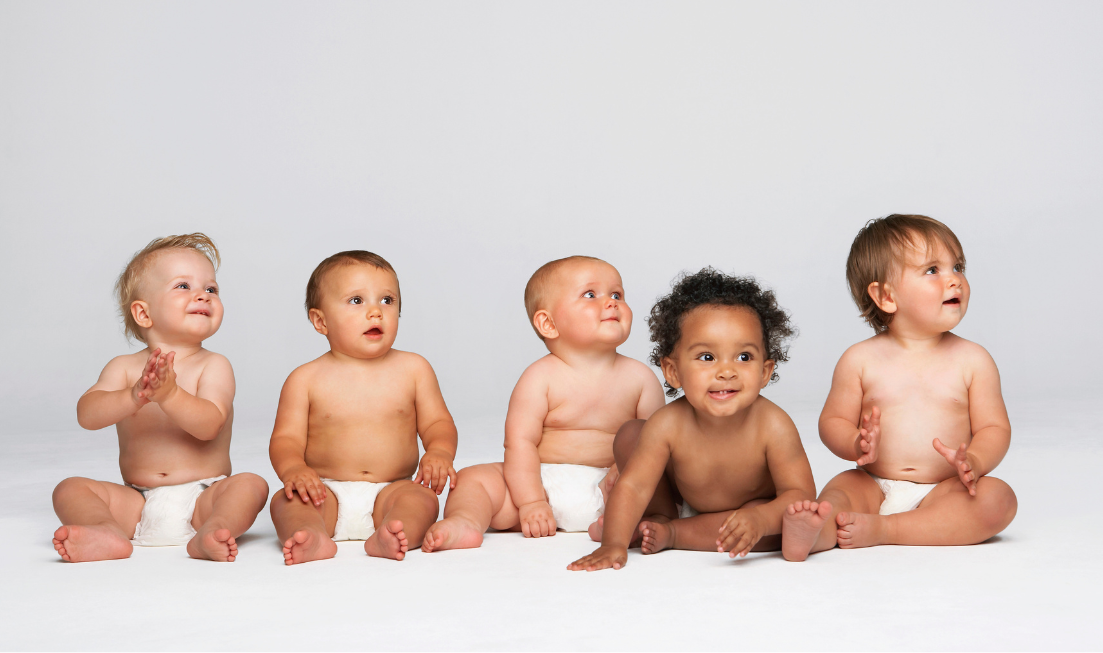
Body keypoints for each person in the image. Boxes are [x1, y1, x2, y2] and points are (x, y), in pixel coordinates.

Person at [781, 214, 1017, 562]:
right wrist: (855, 442)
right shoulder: (859, 359)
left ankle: (888, 530)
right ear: (886, 296)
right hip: (873, 482)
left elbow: (994, 427)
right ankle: (814, 531)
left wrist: (976, 461)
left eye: (958, 267)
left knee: (998, 499)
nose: (954, 280)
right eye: (933, 270)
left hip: (945, 488)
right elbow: (831, 421)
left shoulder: (974, 360)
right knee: (842, 492)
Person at [569, 268, 815, 571]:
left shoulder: (774, 425)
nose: (726, 371)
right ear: (673, 371)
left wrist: (761, 519)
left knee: (773, 530)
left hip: (742, 514)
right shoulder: (668, 424)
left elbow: (800, 495)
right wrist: (613, 545)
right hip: (681, 494)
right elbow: (634, 487)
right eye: (707, 357)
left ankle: (673, 533)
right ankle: (659, 516)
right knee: (632, 433)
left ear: (765, 372)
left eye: (744, 357)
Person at [422, 256, 665, 552]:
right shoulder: (539, 377)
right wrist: (531, 501)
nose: (612, 302)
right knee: (474, 479)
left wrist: (623, 470)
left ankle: (621, 525)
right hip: (542, 484)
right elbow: (520, 443)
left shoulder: (640, 378)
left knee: (654, 487)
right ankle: (466, 522)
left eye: (617, 294)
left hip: (612, 486)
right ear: (548, 323)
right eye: (591, 294)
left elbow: (655, 442)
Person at [53, 233, 268, 563]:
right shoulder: (124, 369)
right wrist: (134, 395)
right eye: (183, 286)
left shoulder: (213, 365)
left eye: (211, 288)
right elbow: (88, 414)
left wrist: (169, 395)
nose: (203, 295)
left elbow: (209, 425)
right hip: (136, 501)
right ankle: (108, 530)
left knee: (250, 485)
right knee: (69, 489)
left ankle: (214, 530)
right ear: (143, 313)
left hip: (204, 496)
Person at [269, 250, 457, 564]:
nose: (376, 312)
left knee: (422, 499)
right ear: (320, 320)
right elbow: (285, 439)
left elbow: (438, 423)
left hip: (393, 490)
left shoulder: (414, 369)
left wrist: (439, 452)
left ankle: (393, 534)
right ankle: (311, 535)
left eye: (387, 300)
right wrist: (294, 470)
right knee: (286, 503)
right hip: (324, 491)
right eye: (357, 301)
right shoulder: (305, 379)